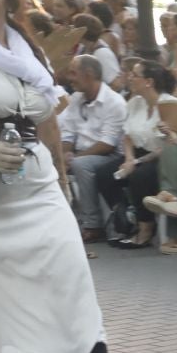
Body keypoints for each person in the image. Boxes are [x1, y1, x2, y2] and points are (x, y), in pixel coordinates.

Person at [0, 0, 146, 353]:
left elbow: (47, 117)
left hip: (36, 185)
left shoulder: (25, 50)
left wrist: (60, 173)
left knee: (73, 276)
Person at [122, 63, 177, 253]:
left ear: (149, 82)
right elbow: (127, 136)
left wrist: (138, 162)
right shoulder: (134, 103)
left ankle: (146, 226)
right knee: (104, 174)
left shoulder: (172, 105)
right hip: (140, 153)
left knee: (139, 177)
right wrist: (129, 158)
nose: (130, 77)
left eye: (134, 74)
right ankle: (127, 219)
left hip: (162, 154)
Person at [57, 54, 126, 242]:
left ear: (88, 75)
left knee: (81, 165)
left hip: (110, 157)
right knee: (52, 161)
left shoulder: (114, 102)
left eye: (73, 73)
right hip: (81, 153)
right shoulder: (76, 99)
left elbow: (107, 143)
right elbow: (68, 132)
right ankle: (59, 224)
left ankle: (92, 224)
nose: (69, 78)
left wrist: (76, 157)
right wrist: (64, 153)